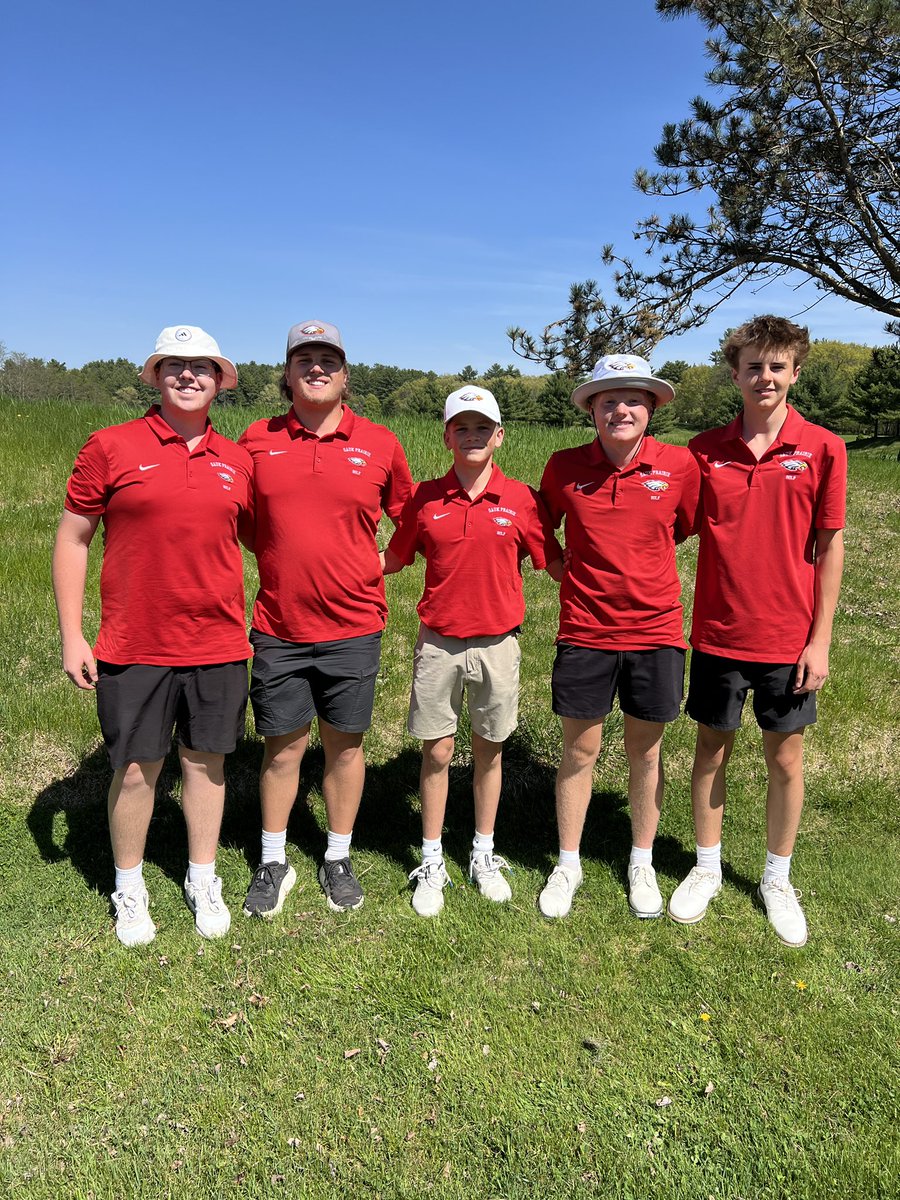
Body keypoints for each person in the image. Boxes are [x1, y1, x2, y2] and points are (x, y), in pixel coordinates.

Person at [52, 326, 252, 946]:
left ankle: (202, 875)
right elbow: (73, 537)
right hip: (134, 642)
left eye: (202, 367)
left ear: (220, 380)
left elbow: (263, 542)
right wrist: (72, 635)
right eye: (175, 366)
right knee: (138, 770)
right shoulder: (111, 446)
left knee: (206, 764)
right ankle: (130, 886)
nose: (188, 376)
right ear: (156, 375)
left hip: (218, 642)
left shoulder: (238, 459)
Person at [668, 316, 846, 947]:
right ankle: (707, 865)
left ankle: (776, 875)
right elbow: (671, 525)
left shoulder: (823, 447)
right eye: (752, 366)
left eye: (777, 366)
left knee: (785, 756)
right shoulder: (702, 450)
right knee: (711, 749)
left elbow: (829, 548)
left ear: (795, 371)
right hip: (718, 631)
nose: (764, 376)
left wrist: (820, 639)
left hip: (787, 637)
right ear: (735, 373)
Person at [239, 321, 413, 917]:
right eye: (304, 359)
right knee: (282, 748)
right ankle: (272, 858)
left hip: (355, 625)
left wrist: (374, 566)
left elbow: (412, 523)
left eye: (328, 360)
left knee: (344, 746)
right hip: (279, 625)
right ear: (286, 373)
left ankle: (337, 854)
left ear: (344, 374)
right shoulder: (255, 439)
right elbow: (239, 519)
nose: (316, 368)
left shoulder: (382, 443)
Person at [382, 387, 562, 916]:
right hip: (438, 645)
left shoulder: (522, 499)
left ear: (499, 435)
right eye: (461, 427)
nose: (472, 436)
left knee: (490, 748)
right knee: (436, 751)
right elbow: (393, 559)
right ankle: (433, 858)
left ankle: (483, 851)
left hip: (498, 645)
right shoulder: (425, 498)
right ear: (446, 436)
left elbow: (553, 562)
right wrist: (338, 570)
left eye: (482, 427)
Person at [538, 356, 700, 919]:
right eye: (608, 400)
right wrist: (559, 565)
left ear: (651, 408)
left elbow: (683, 526)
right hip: (585, 630)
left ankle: (642, 860)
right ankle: (567, 862)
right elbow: (539, 525)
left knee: (646, 753)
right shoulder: (563, 467)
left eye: (633, 399)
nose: (620, 409)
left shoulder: (679, 466)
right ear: (591, 410)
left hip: (656, 632)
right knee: (579, 749)